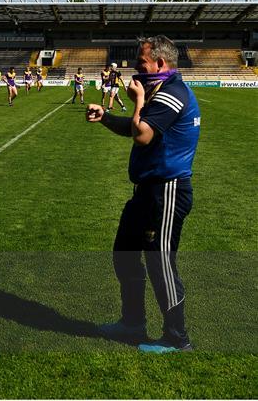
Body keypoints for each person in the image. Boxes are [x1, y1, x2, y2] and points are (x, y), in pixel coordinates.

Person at [86, 35, 200, 354]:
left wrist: (136, 100)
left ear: (160, 63)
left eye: (141, 63)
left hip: (167, 191)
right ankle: (133, 323)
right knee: (124, 254)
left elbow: (143, 135)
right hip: (147, 191)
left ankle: (177, 339)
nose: (136, 70)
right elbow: (136, 127)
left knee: (160, 262)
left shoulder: (173, 93)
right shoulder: (161, 90)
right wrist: (106, 118)